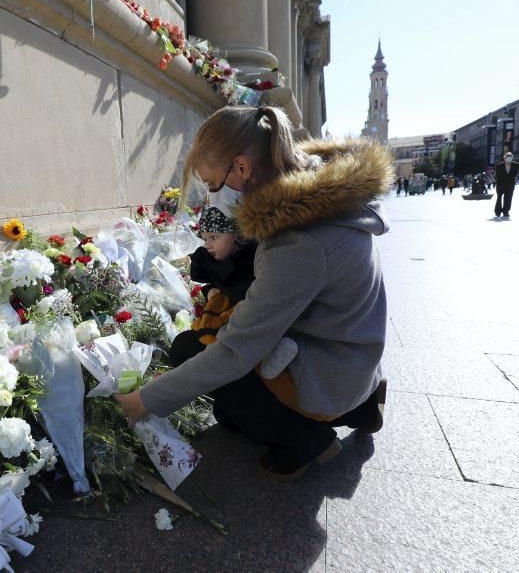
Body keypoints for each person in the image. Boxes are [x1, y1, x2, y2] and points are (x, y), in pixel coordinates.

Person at [115, 105, 392, 479]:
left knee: (201, 358)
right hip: (349, 357)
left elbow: (235, 352)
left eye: (213, 184)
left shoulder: (299, 242)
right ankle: (361, 407)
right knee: (217, 373)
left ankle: (306, 440)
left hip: (332, 370)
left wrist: (143, 401)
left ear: (242, 169)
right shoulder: (319, 198)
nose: (212, 197)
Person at [171, 204, 298, 382]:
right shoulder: (215, 259)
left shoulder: (251, 260)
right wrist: (211, 293)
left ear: (237, 235)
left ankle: (274, 351)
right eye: (205, 239)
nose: (208, 245)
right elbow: (215, 284)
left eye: (214, 237)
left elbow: (257, 294)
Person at [493, 152, 519, 217]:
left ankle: (506, 211)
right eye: (507, 157)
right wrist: (498, 182)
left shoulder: (516, 165)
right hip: (500, 183)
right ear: (504, 158)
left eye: (510, 157)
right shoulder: (499, 165)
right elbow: (497, 175)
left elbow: (515, 174)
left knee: (508, 198)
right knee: (499, 197)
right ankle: (497, 211)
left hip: (510, 184)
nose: (509, 158)